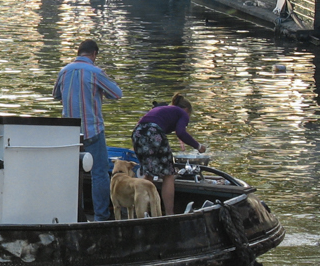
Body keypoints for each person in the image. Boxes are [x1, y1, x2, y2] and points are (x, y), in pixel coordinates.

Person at [52, 39, 123, 221]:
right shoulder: (96, 72)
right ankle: (101, 216)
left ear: (79, 52)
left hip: (69, 133)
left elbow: (56, 96)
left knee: (71, 173)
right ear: (93, 54)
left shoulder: (64, 71)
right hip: (92, 131)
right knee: (99, 172)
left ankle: (73, 215)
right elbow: (117, 94)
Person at [131, 93, 207, 215]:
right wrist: (198, 146)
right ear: (187, 110)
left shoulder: (165, 109)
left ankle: (142, 212)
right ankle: (169, 214)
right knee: (168, 175)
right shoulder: (182, 113)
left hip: (137, 133)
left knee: (148, 174)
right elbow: (181, 133)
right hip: (153, 132)